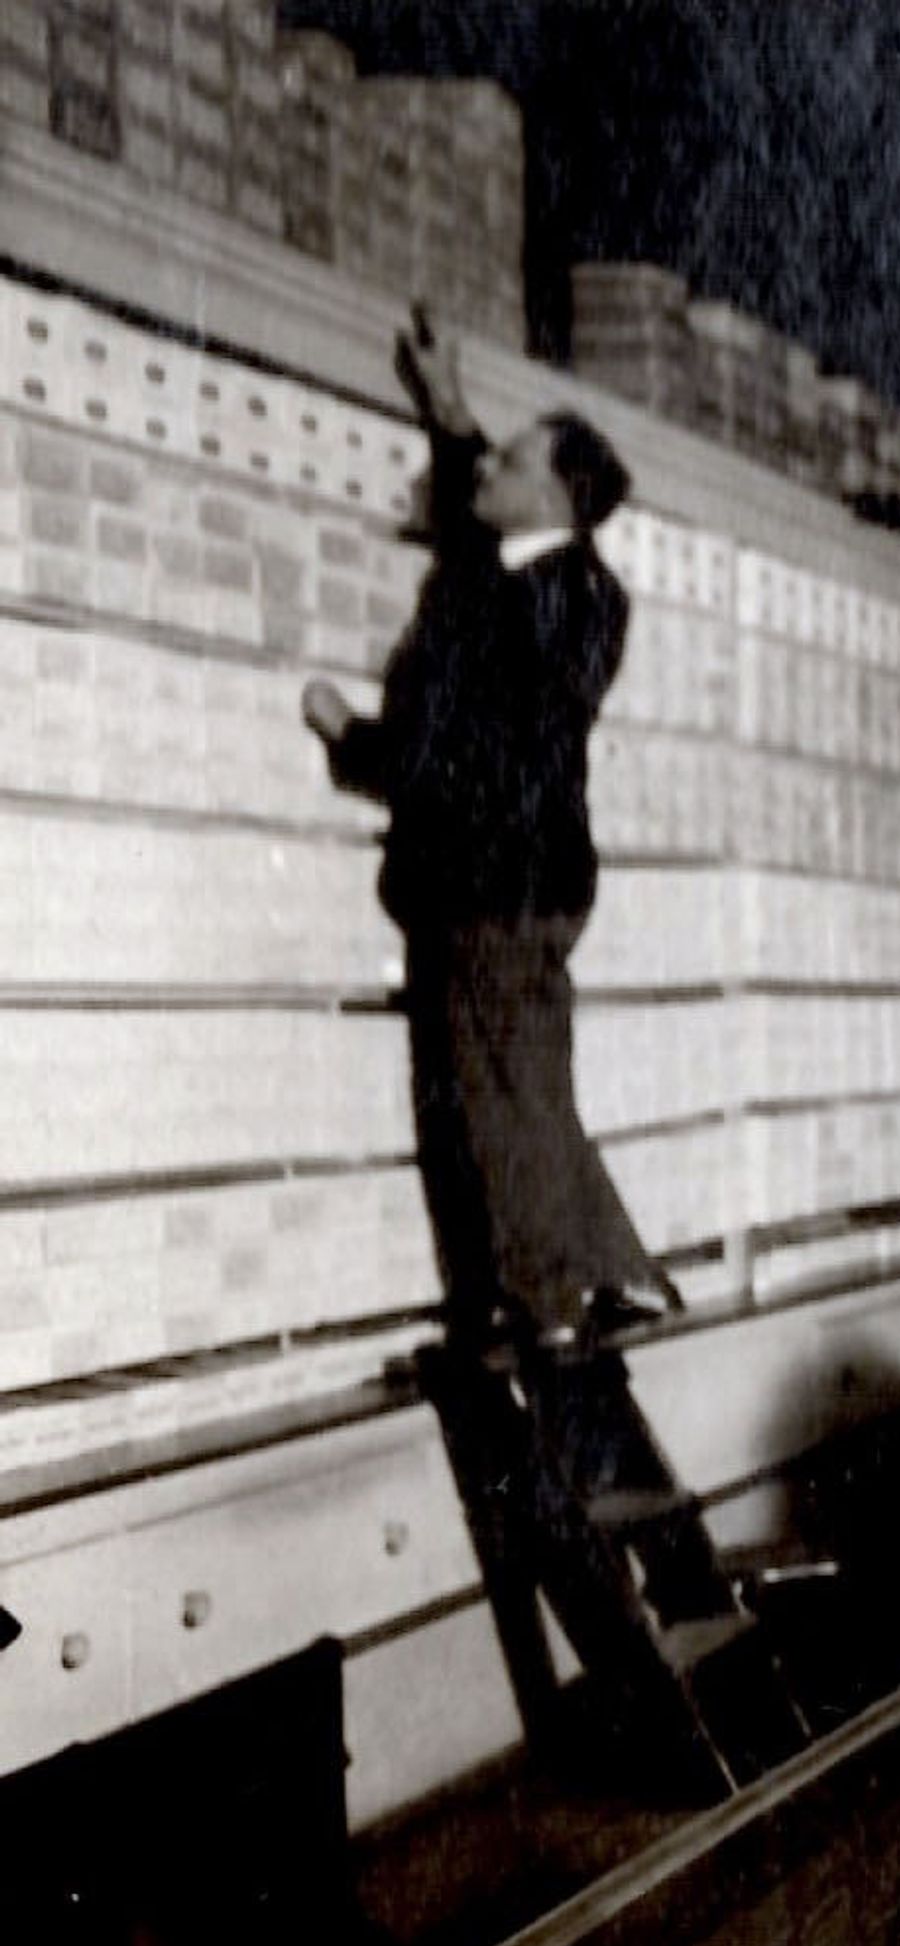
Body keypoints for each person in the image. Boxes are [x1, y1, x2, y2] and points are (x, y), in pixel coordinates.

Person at [303, 306, 662, 1345]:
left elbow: (453, 751)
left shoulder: (551, 604)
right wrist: (449, 405)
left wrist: (344, 735)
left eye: (504, 462)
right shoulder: (564, 584)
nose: (479, 476)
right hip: (525, 885)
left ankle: (543, 1306)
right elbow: (480, 524)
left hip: (494, 886)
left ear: (547, 495)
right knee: (526, 1087)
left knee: (494, 1102)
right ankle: (586, 1279)